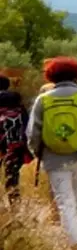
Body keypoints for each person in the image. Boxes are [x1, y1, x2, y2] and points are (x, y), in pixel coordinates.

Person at [26, 57, 77, 250]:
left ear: (50, 76)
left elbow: (33, 132)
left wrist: (38, 153)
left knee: (65, 201)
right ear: (75, 74)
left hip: (54, 158)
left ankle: (76, 242)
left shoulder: (43, 99)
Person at [0, 75, 31, 205]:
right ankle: (15, 207)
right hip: (15, 146)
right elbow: (27, 125)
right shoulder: (18, 105)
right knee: (12, 177)